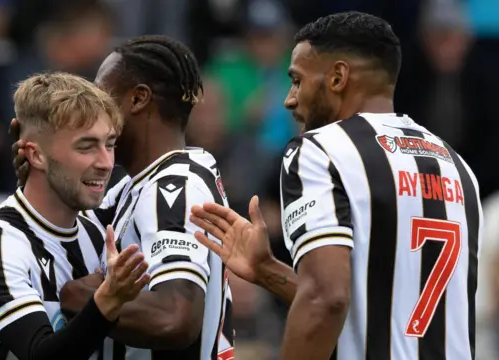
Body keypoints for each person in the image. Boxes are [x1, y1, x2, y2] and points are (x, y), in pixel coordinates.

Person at [189, 11, 483, 360]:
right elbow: (371, 309)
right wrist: (267, 271)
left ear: (338, 77)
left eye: (297, 80)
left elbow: (326, 299)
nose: (289, 99)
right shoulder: (456, 166)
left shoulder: (320, 150)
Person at [11, 35, 235, 359]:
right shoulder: (137, 186)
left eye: (102, 94)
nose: (93, 109)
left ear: (138, 99)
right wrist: (41, 171)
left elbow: (176, 318)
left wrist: (89, 300)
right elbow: (63, 236)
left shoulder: (173, 189)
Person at [0, 72, 150, 360]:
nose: (106, 163)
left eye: (109, 143)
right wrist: (108, 299)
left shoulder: (98, 237)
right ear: (36, 156)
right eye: (86, 146)